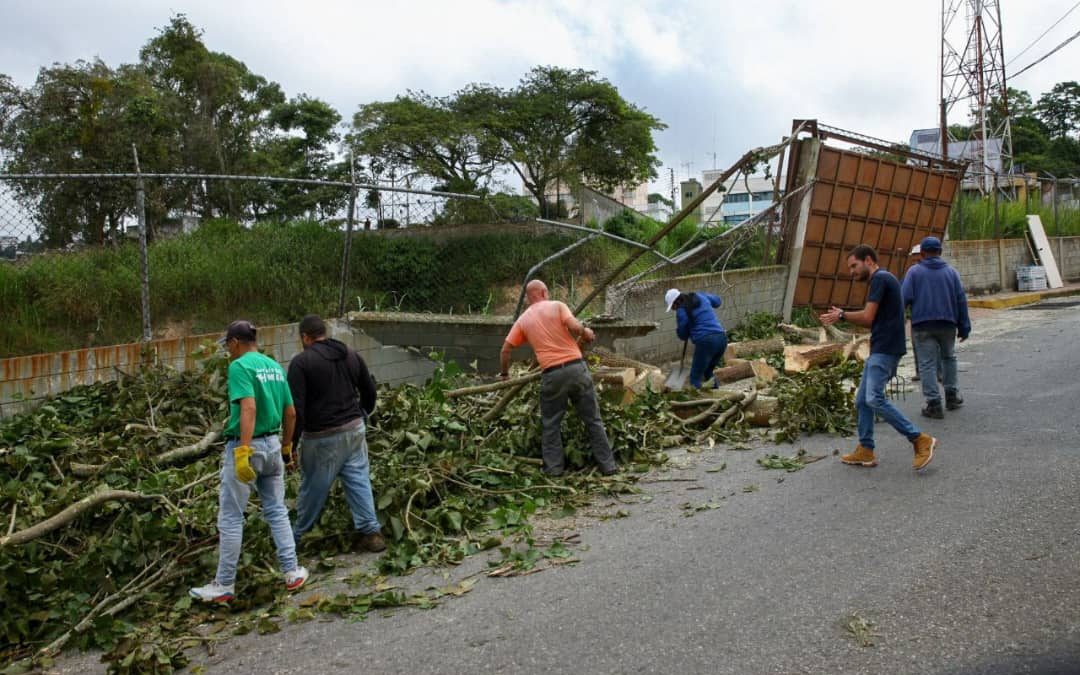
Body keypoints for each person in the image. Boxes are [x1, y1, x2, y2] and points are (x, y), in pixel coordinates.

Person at [190, 320, 309, 603]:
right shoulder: (274, 366)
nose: (228, 351)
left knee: (231, 517)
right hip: (273, 444)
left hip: (248, 445)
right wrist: (286, 447)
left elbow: (249, 407)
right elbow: (291, 413)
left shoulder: (239, 366)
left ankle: (224, 584)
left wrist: (243, 450)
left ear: (235, 342)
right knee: (277, 510)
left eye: (228, 346)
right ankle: (292, 572)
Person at [821, 245, 937, 471]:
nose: (852, 272)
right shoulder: (884, 279)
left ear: (868, 260)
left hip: (886, 349)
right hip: (882, 348)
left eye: (854, 266)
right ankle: (865, 449)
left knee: (873, 398)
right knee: (862, 401)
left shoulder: (880, 279)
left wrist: (842, 315)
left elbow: (868, 317)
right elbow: (876, 319)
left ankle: (919, 438)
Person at [287, 315, 386, 553]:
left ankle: (294, 539)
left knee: (313, 487)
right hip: (354, 430)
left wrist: (290, 444)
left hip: (322, 436)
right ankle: (372, 533)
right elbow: (370, 391)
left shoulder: (301, 363)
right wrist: (362, 413)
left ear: (305, 337)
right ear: (324, 332)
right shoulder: (350, 354)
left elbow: (296, 410)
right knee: (358, 479)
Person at [499, 280, 617, 477]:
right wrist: (586, 332)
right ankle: (609, 466)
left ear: (529, 298)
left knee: (551, 424)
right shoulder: (557, 306)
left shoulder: (522, 320)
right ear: (544, 292)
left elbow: (505, 351)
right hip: (577, 369)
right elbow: (575, 327)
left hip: (552, 376)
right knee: (593, 419)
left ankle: (554, 470)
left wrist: (504, 375)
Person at [901, 236, 971, 419]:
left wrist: (896, 322)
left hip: (922, 325)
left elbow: (903, 298)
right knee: (949, 357)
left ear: (923, 253)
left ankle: (934, 403)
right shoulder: (952, 272)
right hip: (948, 323)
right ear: (940, 252)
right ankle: (952, 396)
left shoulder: (914, 272)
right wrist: (964, 326)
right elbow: (961, 300)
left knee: (927, 363)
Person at [664, 288, 727, 389]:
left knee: (695, 378)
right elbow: (717, 301)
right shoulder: (701, 296)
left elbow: (683, 335)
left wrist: (684, 329)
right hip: (721, 339)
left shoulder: (681, 311)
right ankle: (718, 394)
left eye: (672, 307)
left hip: (706, 342)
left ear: (676, 302)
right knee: (708, 372)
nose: (674, 309)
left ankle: (696, 397)